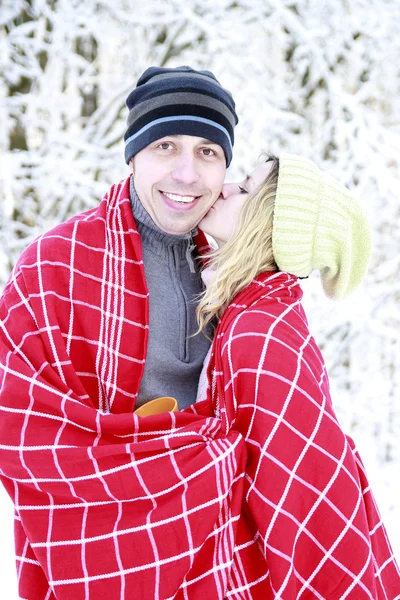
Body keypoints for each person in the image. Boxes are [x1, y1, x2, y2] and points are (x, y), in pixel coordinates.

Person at [0, 65, 239, 598]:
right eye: (166, 147)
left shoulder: (235, 272)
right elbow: (17, 421)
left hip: (216, 549)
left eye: (208, 152)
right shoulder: (57, 263)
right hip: (99, 541)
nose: (186, 174)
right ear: (133, 154)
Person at [194, 152, 400, 598]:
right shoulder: (260, 312)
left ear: (270, 228)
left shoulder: (261, 334)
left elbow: (305, 495)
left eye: (245, 189)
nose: (226, 187)